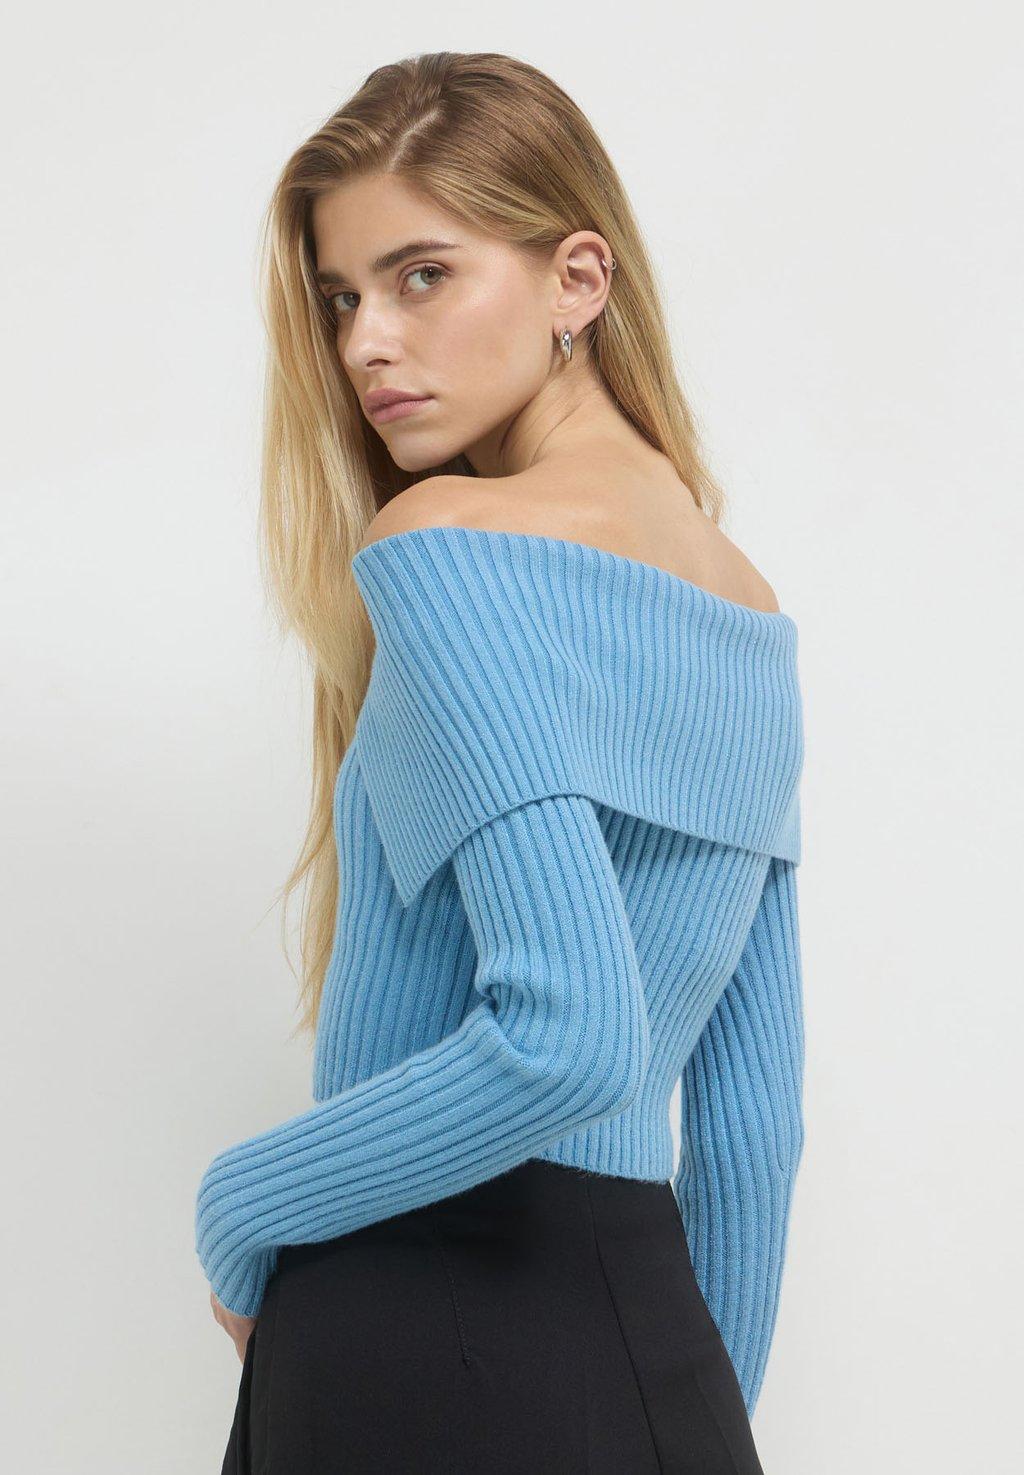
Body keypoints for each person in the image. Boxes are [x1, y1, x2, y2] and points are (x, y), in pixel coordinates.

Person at [195, 50, 806, 1475]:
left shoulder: (446, 545)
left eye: (421, 277)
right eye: (341, 299)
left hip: (411, 1312)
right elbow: (751, 1129)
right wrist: (690, 1415)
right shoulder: (751, 614)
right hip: (652, 1342)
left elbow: (566, 1032)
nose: (366, 343)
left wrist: (237, 1208)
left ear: (577, 281)